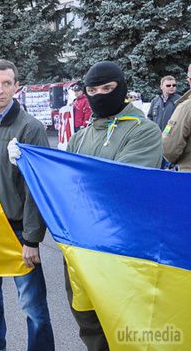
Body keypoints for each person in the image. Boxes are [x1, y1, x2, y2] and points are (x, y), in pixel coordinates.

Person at [9, 61, 163, 351]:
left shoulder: (144, 130)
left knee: (125, 325)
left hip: (121, 249)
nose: (100, 95)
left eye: (108, 88)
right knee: (88, 320)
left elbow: (118, 184)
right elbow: (61, 179)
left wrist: (65, 178)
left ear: (122, 88)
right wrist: (29, 163)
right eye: (92, 90)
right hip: (79, 250)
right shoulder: (81, 136)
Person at [0, 59, 54, 351]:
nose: (0, 90)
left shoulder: (30, 128)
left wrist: (32, 239)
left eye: (7, 83)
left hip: (19, 231)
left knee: (32, 305)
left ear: (16, 87)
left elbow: (37, 189)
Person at [163, 64, 191, 172]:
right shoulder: (156, 101)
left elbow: (169, 149)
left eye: (173, 85)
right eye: (168, 85)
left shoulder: (185, 107)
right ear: (161, 87)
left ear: (189, 80)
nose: (171, 87)